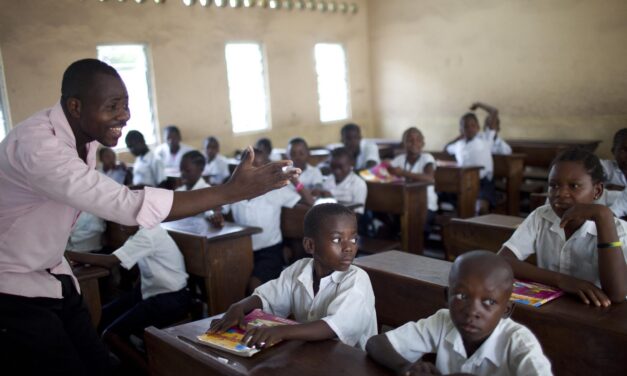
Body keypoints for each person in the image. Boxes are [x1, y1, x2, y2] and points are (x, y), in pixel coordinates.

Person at [0, 58, 298, 375]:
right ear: (76, 106)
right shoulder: (39, 147)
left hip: (52, 273)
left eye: (126, 105)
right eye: (113, 106)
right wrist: (230, 192)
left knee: (97, 361)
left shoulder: (81, 138)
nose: (125, 116)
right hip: (13, 284)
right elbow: (125, 205)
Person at [208, 203, 377, 350]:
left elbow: (333, 327)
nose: (349, 247)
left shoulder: (357, 281)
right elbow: (267, 298)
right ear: (310, 245)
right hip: (314, 352)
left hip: (352, 362)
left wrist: (281, 331)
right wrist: (237, 307)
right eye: (337, 239)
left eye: (353, 240)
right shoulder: (299, 269)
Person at [366, 251, 552, 376]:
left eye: (489, 302)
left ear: (507, 310)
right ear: (447, 297)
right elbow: (376, 343)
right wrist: (408, 368)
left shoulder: (519, 342)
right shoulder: (443, 321)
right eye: (462, 296)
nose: (472, 311)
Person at [499, 148, 627, 307]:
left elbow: (617, 294)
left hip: (598, 316)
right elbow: (503, 260)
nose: (561, 193)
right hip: (552, 310)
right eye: (553, 185)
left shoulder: (620, 230)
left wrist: (604, 216)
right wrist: (562, 281)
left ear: (597, 191)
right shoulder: (541, 216)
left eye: (574, 186)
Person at [66, 223, 190, 373]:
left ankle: (152, 371)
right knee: (99, 315)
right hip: (149, 291)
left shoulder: (148, 234)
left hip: (170, 298)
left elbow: (109, 261)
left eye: (124, 219)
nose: (120, 225)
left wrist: (67, 254)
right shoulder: (141, 233)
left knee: (112, 335)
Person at [212, 147, 304, 291]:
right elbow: (218, 208)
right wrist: (215, 214)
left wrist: (296, 181)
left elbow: (308, 203)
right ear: (240, 168)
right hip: (242, 251)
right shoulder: (234, 191)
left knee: (254, 286)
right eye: (251, 167)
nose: (256, 172)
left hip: (269, 252)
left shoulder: (276, 190)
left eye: (261, 167)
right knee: (226, 281)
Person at [444, 113, 496, 214]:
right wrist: (459, 137)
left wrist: (478, 105)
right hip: (463, 182)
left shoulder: (485, 140)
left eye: (472, 125)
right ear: (461, 130)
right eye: (465, 126)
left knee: (480, 208)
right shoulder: (458, 145)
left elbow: (494, 113)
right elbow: (446, 148)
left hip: (483, 182)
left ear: (478, 127)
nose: (469, 129)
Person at [387, 127, 438, 229]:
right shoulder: (399, 159)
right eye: (410, 140)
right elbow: (387, 171)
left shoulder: (427, 158)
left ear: (423, 143)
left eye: (418, 140)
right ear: (403, 144)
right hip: (403, 203)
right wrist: (385, 167)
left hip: (426, 206)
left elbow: (430, 179)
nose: (414, 143)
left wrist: (403, 173)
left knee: (413, 225)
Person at [317, 147, 367, 214]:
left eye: (340, 167)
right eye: (333, 167)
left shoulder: (359, 184)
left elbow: (358, 213)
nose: (337, 171)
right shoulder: (329, 180)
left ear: (351, 164)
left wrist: (332, 198)